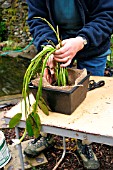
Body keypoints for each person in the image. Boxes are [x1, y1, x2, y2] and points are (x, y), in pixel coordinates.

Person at [24, 0, 113, 169]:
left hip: (92, 46)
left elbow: (107, 15)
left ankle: (84, 142)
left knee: (88, 99)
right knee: (49, 92)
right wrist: (47, 47)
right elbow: (37, 18)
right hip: (56, 46)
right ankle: (47, 133)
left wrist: (82, 40)